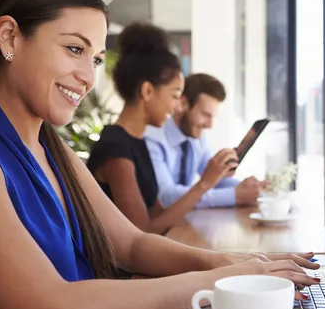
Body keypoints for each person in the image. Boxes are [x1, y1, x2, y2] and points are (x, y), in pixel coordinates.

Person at [0, 0, 320, 309]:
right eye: (74, 48)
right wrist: (221, 281)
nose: (89, 76)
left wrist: (237, 263)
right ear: (9, 37)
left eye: (94, 58)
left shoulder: (54, 153)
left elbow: (130, 245)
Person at [87, 23, 238, 235]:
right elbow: (142, 233)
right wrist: (204, 184)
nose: (177, 106)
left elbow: (159, 214)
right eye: (175, 96)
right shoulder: (116, 150)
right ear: (148, 91)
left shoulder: (137, 142)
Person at [145, 73, 263, 209]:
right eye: (205, 115)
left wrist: (250, 188)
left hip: (184, 222)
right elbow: (167, 197)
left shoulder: (197, 138)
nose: (209, 125)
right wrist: (234, 195)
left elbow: (215, 181)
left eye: (212, 117)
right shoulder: (153, 139)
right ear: (183, 104)